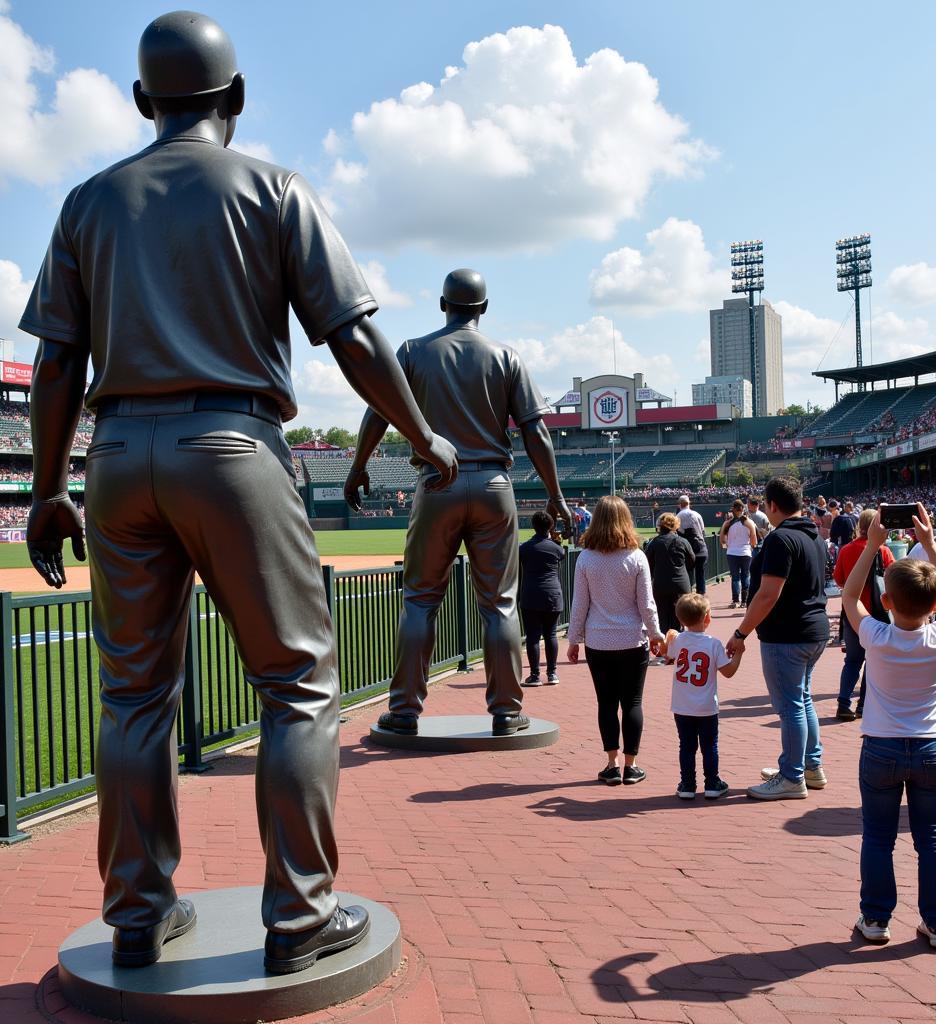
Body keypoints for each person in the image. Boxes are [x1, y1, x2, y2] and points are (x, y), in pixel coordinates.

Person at [19, 10, 458, 973]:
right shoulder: (272, 187)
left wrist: (50, 488)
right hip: (232, 446)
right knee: (298, 688)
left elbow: (56, 363)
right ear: (238, 97)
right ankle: (300, 919)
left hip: (116, 455)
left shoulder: (88, 201)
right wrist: (422, 436)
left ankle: (136, 914)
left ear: (143, 101)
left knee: (132, 696)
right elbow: (351, 337)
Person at [348, 269, 572, 739]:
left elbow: (378, 412)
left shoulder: (412, 351)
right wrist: (556, 495)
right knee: (500, 605)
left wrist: (359, 466)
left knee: (419, 601)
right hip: (494, 485)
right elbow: (537, 432)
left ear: (442, 305)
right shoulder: (506, 356)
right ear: (484, 309)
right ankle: (507, 711)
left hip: (435, 484)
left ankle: (405, 709)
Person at [841, 504, 936, 949]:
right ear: (932, 605)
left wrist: (872, 545)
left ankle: (875, 920)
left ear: (887, 601)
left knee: (878, 837)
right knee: (932, 838)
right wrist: (931, 543)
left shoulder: (877, 634)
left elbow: (851, 598)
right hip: (931, 746)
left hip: (882, 747)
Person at [727, 477, 830, 800]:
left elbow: (768, 594)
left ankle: (791, 775)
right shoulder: (813, 535)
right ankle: (809, 767)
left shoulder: (780, 539)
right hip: (813, 629)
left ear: (772, 505)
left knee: (790, 707)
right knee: (803, 700)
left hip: (788, 634)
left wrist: (741, 632)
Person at [567, 496, 665, 786]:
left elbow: (579, 604)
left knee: (606, 703)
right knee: (632, 702)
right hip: (633, 640)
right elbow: (646, 603)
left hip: (598, 641)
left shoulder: (586, 558)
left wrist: (574, 639)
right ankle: (631, 765)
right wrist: (657, 633)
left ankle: (612, 763)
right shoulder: (636, 557)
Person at [666, 593, 743, 800]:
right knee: (709, 745)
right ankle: (712, 782)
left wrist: (669, 636)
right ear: (707, 618)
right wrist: (739, 653)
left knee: (686, 746)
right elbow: (728, 672)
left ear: (681, 620)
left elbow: (667, 655)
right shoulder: (713, 644)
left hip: (682, 706)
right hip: (707, 706)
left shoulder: (678, 640)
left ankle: (688, 784)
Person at [832, 509, 895, 721]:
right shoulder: (883, 551)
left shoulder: (847, 550)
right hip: (877, 613)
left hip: (853, 613)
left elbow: (839, 579)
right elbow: (894, 579)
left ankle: (843, 703)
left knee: (852, 661)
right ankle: (863, 706)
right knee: (872, 661)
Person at [518, 511, 565, 686]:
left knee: (533, 637)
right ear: (551, 526)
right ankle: (552, 673)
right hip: (553, 594)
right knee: (551, 634)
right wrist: (555, 539)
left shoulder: (525, 547)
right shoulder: (555, 547)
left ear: (533, 526)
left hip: (531, 595)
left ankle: (535, 675)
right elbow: (561, 554)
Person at [645, 512, 695, 635]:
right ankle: (678, 646)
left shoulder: (654, 543)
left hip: (661, 584)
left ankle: (665, 648)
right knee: (680, 618)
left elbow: (647, 564)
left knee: (662, 618)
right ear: (676, 526)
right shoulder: (683, 541)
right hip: (680, 584)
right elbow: (692, 560)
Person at [720, 499, 757, 609]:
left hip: (732, 552)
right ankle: (745, 601)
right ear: (743, 509)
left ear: (733, 509)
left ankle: (735, 600)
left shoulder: (727, 523)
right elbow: (754, 540)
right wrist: (750, 546)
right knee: (746, 575)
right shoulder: (749, 522)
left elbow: (722, 539)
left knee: (735, 577)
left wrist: (729, 544)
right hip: (745, 552)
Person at [676, 495, 707, 594]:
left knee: (687, 574)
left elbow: (679, 533)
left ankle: (688, 596)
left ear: (679, 504)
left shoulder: (679, 516)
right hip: (701, 548)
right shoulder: (697, 514)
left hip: (688, 550)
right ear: (689, 503)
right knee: (700, 574)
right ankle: (701, 596)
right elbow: (703, 531)